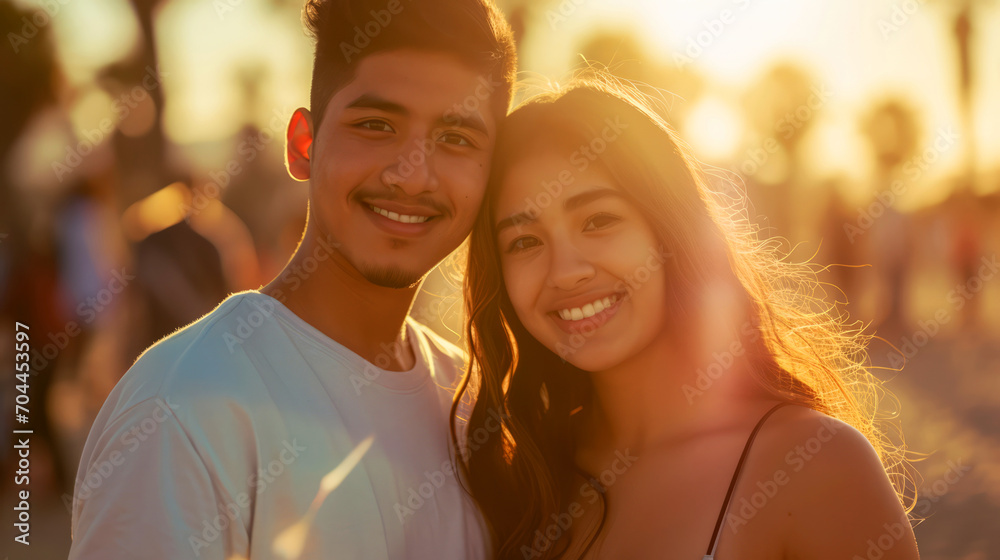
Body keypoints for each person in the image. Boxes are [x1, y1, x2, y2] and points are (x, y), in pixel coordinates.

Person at [69, 0, 516, 558]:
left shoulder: (475, 406)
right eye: (376, 125)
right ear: (303, 144)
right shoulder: (183, 407)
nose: (412, 175)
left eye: (457, 138)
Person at [453, 76, 920, 559]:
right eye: (525, 241)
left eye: (599, 220)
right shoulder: (522, 477)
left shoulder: (815, 463)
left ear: (668, 229)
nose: (566, 272)